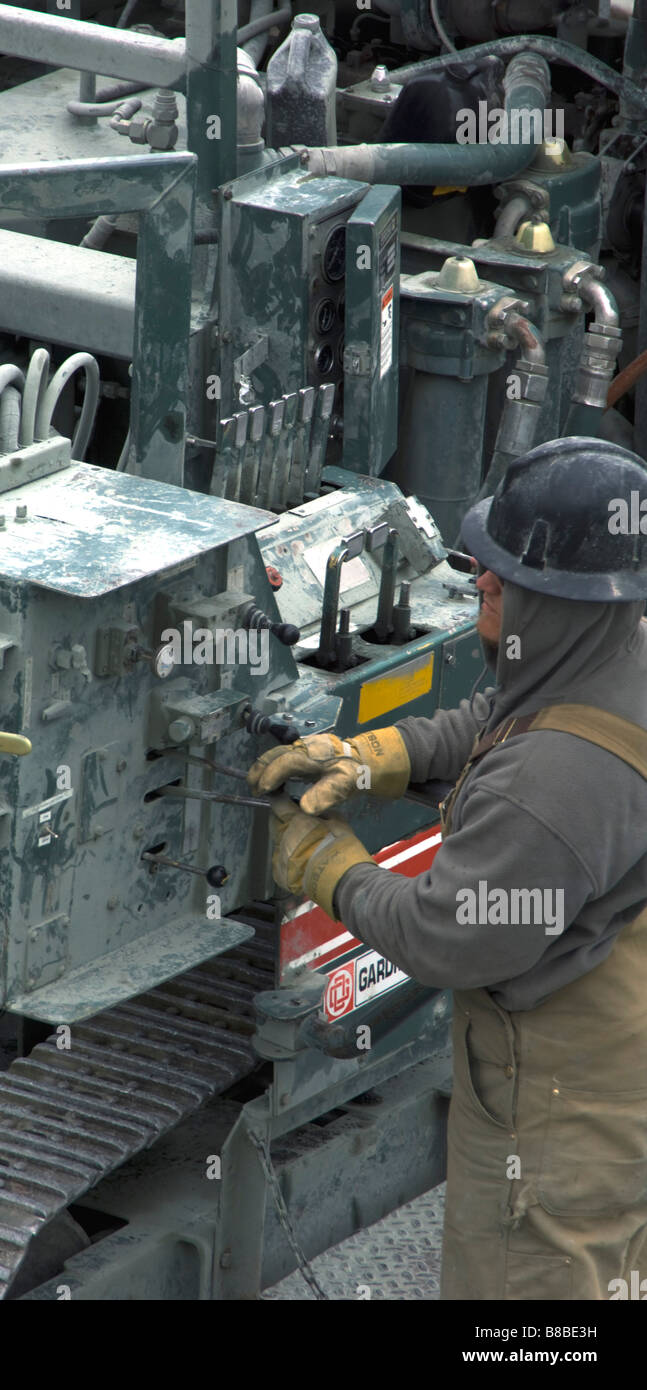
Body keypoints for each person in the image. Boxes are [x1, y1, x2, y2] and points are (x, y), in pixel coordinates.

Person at [247, 437, 647, 1300]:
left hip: (558, 1105)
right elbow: (510, 713)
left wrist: (328, 868)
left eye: (512, 574)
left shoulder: (551, 788)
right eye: (485, 558)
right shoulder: (614, 649)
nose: (482, 580)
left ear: (570, 602)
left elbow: (449, 936)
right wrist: (376, 755)